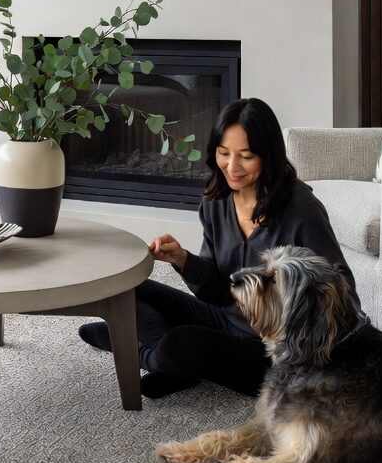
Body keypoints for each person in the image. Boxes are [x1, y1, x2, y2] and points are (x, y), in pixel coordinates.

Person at [78, 97, 360, 399]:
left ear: (268, 155)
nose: (232, 166)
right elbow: (216, 291)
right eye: (224, 153)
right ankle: (173, 363)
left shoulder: (300, 209)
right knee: (127, 288)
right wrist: (184, 261)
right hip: (223, 318)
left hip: (273, 352)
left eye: (246, 156)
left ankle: (144, 352)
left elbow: (342, 288)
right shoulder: (217, 200)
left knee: (181, 344)